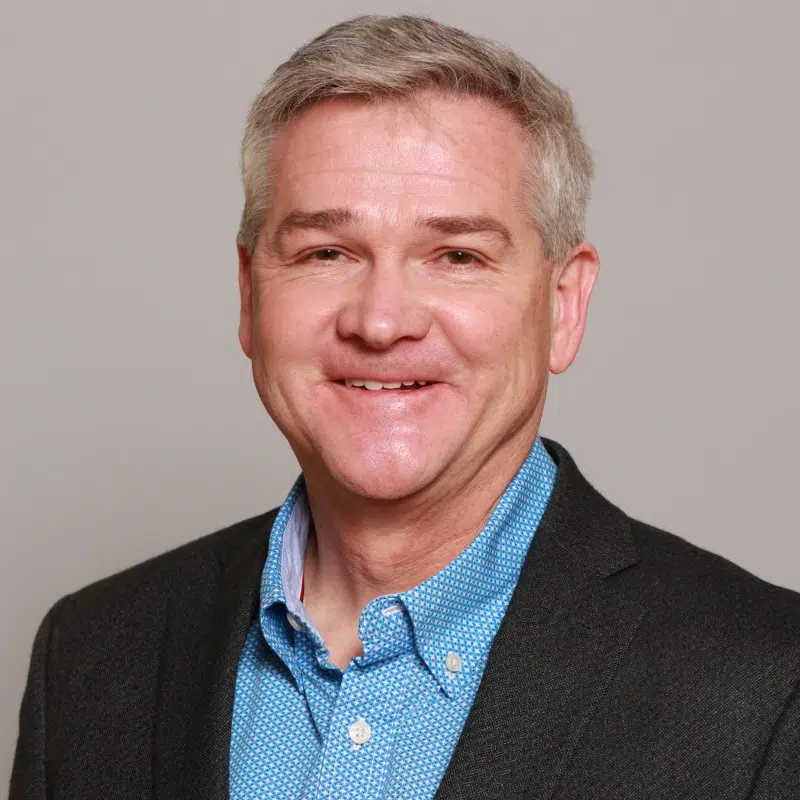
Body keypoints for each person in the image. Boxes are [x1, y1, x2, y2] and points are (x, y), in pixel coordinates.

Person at [10, 13, 800, 800]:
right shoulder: (92, 655)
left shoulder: (767, 685)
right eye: (327, 253)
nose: (381, 322)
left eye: (457, 256)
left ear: (563, 306)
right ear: (250, 296)